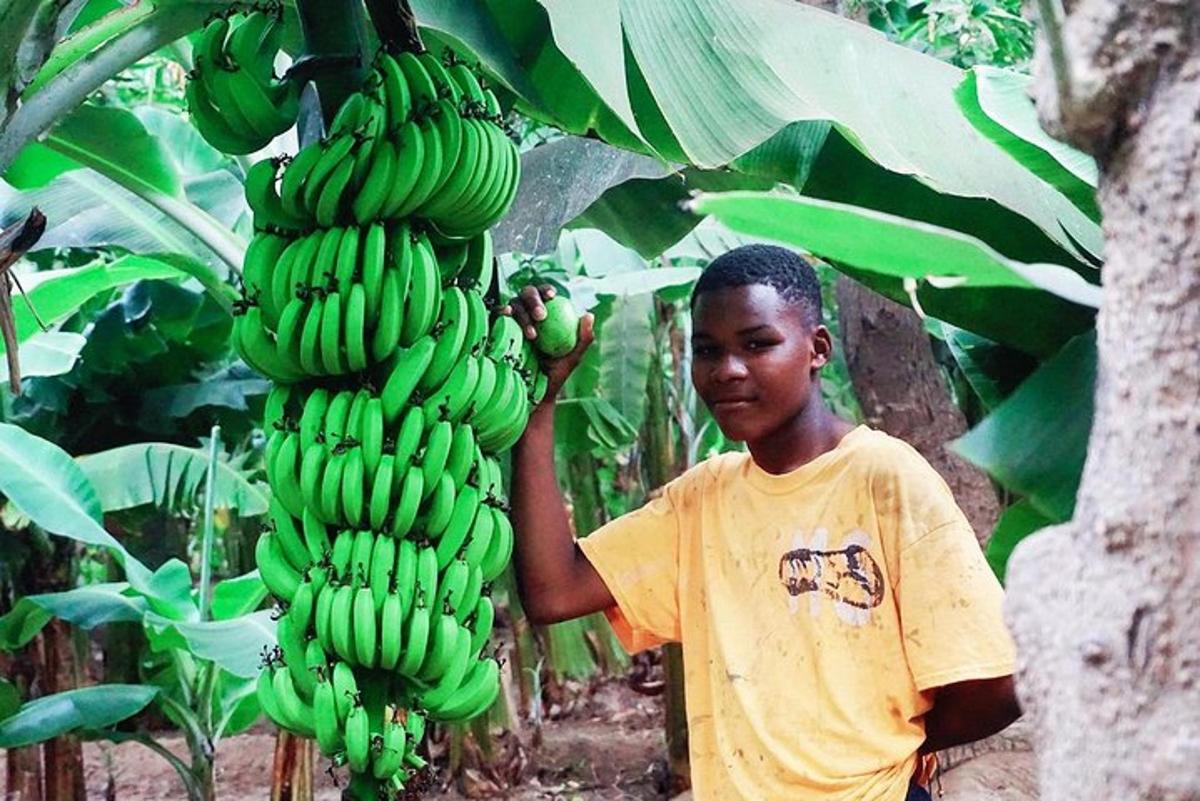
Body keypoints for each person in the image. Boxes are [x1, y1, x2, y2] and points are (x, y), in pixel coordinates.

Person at [506, 244, 1021, 801]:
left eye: (758, 344)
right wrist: (541, 406)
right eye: (708, 350)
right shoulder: (701, 501)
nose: (727, 370)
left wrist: (885, 743)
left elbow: (996, 686)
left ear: (817, 348)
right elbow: (553, 591)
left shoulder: (885, 478)